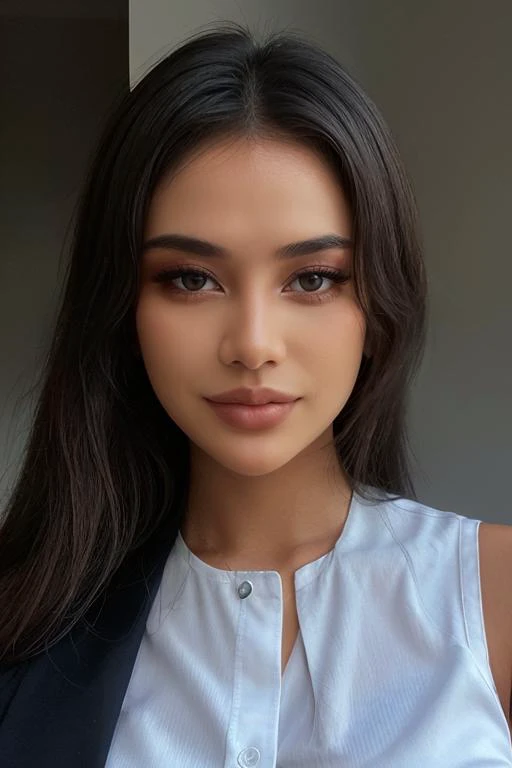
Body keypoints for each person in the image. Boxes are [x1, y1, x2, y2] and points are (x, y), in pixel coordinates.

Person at [0, 20, 511, 768]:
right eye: (190, 278)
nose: (252, 343)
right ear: (122, 309)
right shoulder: (27, 622)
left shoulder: (494, 597)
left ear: (376, 305)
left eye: (312, 279)